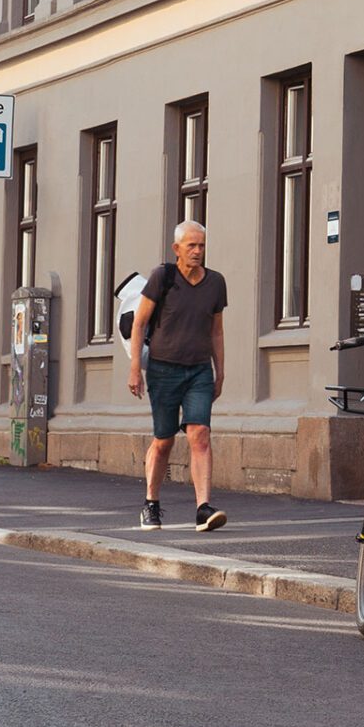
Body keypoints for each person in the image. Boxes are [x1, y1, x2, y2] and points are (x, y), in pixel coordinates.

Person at [129, 220, 227, 533]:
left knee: (200, 434)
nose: (197, 251)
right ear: (177, 249)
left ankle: (202, 508)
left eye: (201, 246)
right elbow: (139, 323)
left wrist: (220, 371)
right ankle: (151, 503)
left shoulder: (216, 283)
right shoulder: (163, 277)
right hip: (163, 369)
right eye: (191, 246)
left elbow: (217, 330)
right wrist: (135, 368)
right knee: (164, 440)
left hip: (199, 370)